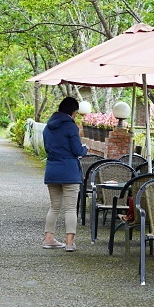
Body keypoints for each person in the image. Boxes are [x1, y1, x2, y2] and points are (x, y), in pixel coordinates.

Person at [42, 97, 88, 252]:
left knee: (54, 207)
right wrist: (84, 149)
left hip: (52, 170)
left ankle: (48, 239)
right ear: (73, 112)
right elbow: (77, 150)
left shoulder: (48, 127)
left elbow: (47, 148)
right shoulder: (70, 126)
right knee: (70, 208)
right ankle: (69, 243)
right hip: (69, 171)